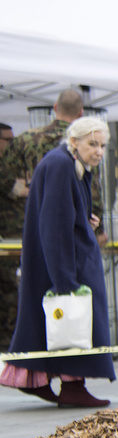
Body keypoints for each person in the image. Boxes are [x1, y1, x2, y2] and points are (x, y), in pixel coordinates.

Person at [2, 117, 115, 407]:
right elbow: (54, 224)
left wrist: (84, 217)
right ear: (74, 141)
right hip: (63, 261)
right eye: (93, 144)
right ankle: (72, 385)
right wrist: (65, 279)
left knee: (44, 321)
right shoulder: (61, 165)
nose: (99, 151)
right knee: (72, 319)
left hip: (58, 259)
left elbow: (60, 212)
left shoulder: (67, 163)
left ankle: (35, 379)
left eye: (102, 145)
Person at [0, 122, 17, 348]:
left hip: (9, 234)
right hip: (6, 233)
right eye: (8, 140)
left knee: (9, 284)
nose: (12, 145)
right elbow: (17, 189)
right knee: (9, 285)